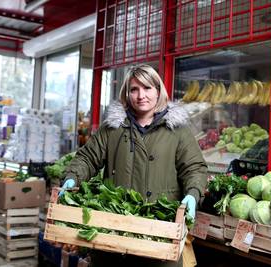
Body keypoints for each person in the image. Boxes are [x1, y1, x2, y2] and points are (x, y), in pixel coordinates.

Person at [61, 64, 207, 267]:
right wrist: (72, 178)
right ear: (127, 93)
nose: (141, 96)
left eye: (147, 88)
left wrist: (193, 193)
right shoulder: (112, 129)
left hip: (160, 236)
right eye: (134, 89)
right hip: (113, 234)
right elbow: (87, 158)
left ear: (158, 90)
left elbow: (194, 168)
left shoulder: (178, 131)